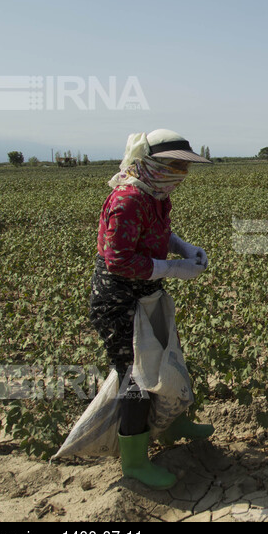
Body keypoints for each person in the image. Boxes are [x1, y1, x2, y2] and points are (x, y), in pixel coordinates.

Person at [89, 129, 212, 489]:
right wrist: (174, 268)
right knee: (135, 378)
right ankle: (135, 462)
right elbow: (119, 261)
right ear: (152, 163)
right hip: (119, 299)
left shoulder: (156, 195)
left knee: (164, 358)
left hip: (147, 291)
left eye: (184, 166)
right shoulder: (127, 200)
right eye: (175, 165)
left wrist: (182, 248)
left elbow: (159, 233)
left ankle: (172, 423)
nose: (181, 174)